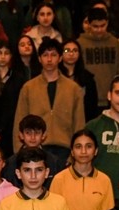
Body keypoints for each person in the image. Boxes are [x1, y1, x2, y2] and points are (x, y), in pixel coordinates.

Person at [13, 38, 85, 170]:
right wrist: (19, 153)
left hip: (65, 150)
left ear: (60, 58)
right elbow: (19, 121)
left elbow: (79, 124)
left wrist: (75, 155)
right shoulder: (28, 88)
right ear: (39, 59)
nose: (49, 59)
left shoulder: (73, 88)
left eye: (53, 55)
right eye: (45, 55)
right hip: (35, 149)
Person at [48, 129, 115, 210]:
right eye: (78, 146)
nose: (83, 151)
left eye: (88, 146)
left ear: (96, 151)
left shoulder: (104, 180)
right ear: (72, 152)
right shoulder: (59, 179)